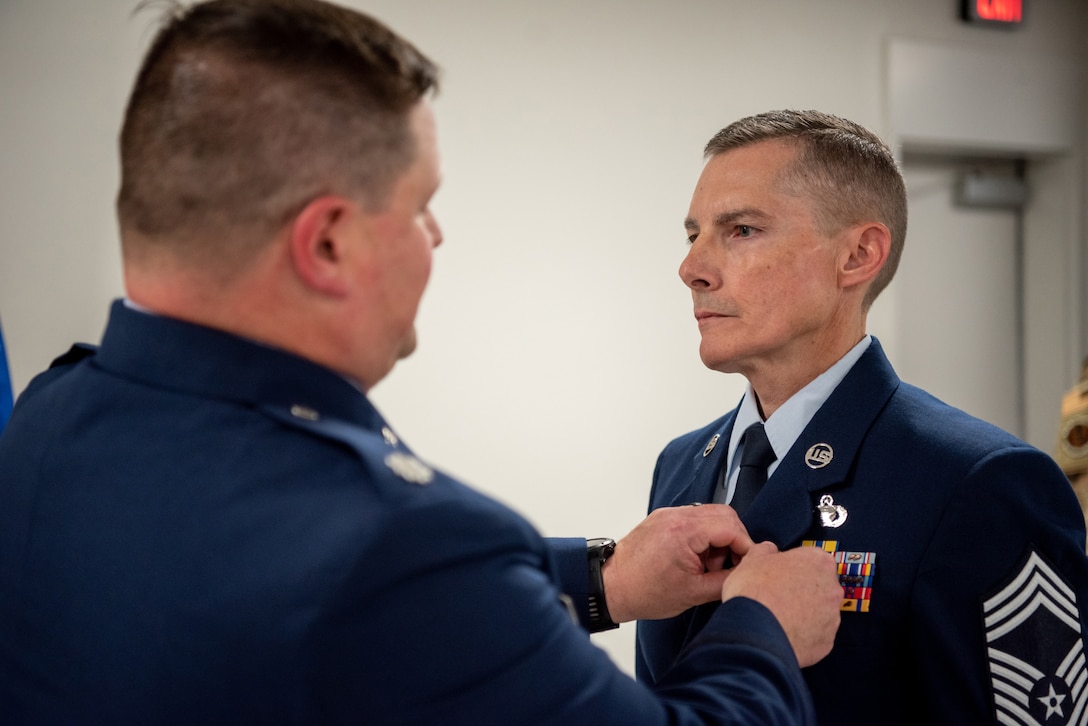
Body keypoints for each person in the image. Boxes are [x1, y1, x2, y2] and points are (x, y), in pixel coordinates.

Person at [0, 3, 844, 724]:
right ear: (327, 243)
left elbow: (281, 598)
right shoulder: (402, 541)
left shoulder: (50, 417)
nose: (436, 237)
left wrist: (604, 578)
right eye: (420, 207)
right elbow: (386, 587)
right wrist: (761, 630)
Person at [636, 109, 1088, 725]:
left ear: (857, 255)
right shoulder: (683, 464)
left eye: (741, 230)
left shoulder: (978, 482)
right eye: (694, 235)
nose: (692, 269)